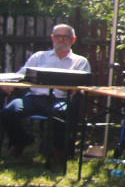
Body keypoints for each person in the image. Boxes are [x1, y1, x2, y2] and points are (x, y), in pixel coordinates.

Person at [1, 23, 91, 158]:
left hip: (60, 99)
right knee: (9, 111)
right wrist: (7, 83)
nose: (61, 40)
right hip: (33, 98)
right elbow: (21, 75)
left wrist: (74, 89)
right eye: (57, 36)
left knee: (62, 114)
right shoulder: (39, 57)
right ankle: (20, 141)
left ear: (73, 39)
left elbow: (83, 85)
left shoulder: (80, 61)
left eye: (65, 37)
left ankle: (59, 150)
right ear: (52, 38)